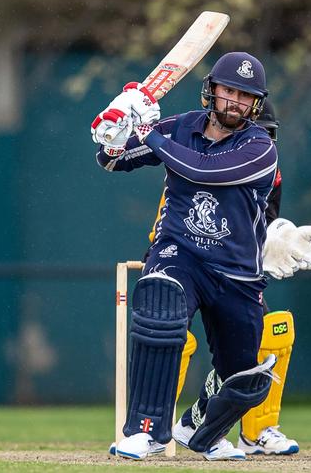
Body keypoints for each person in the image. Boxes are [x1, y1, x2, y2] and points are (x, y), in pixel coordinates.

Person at [92, 52, 280, 461]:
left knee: (243, 375)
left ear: (255, 103)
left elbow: (203, 170)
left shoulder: (260, 147)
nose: (235, 102)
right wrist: (114, 128)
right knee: (160, 301)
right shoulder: (179, 127)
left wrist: (151, 134)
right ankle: (147, 430)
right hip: (181, 252)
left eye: (245, 96)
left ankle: (201, 428)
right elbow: (112, 161)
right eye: (229, 91)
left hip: (237, 272)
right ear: (211, 91)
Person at [153, 101, 303, 455]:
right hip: (189, 263)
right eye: (258, 135)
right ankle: (151, 429)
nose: (261, 146)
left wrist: (280, 239)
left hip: (236, 273)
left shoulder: (271, 170)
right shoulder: (204, 164)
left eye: (268, 137)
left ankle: (253, 431)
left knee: (269, 335)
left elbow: (258, 225)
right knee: (172, 336)